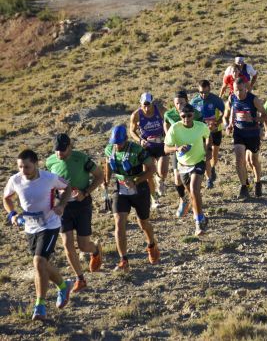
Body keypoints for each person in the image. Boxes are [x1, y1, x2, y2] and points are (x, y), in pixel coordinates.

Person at [3, 149, 73, 320]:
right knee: (40, 266)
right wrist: (13, 215)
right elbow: (7, 198)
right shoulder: (15, 180)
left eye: (26, 167)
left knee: (38, 261)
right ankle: (64, 286)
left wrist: (61, 205)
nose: (23, 171)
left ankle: (39, 305)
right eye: (20, 167)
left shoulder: (49, 178)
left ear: (36, 164)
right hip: (30, 227)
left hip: (50, 224)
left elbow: (67, 187)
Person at [45, 134, 103, 293]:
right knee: (67, 244)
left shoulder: (82, 158)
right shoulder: (50, 162)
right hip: (62, 207)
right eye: (56, 151)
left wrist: (85, 192)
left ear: (70, 146)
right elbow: (49, 184)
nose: (59, 154)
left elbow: (100, 176)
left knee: (83, 246)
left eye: (62, 150)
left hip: (82, 205)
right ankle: (80, 278)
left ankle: (96, 250)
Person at [104, 125, 159, 272]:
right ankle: (123, 259)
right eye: (115, 142)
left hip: (139, 189)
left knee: (143, 224)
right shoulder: (110, 149)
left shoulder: (137, 151)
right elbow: (108, 164)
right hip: (120, 189)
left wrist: (135, 181)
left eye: (120, 142)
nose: (118, 145)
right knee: (119, 222)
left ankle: (151, 245)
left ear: (126, 140)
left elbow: (151, 169)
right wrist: (106, 180)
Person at [164, 104, 210, 236]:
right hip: (183, 165)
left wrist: (209, 149)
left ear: (193, 115)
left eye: (189, 116)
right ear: (180, 116)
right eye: (183, 116)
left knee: (195, 190)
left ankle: (198, 223)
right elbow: (166, 149)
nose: (186, 119)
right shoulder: (175, 128)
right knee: (192, 195)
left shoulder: (200, 126)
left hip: (198, 161)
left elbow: (208, 136)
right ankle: (202, 218)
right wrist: (177, 149)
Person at [223, 78, 267, 199]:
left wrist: (254, 120)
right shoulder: (232, 98)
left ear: (246, 88)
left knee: (253, 161)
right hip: (239, 132)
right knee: (239, 159)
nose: (238, 93)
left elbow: (266, 117)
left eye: (241, 90)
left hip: (252, 134)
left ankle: (258, 182)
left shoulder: (254, 100)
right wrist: (229, 124)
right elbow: (231, 110)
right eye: (236, 90)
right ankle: (244, 186)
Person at [129, 92, 168, 208]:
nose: (146, 108)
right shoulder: (136, 115)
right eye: (144, 105)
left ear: (152, 103)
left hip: (161, 144)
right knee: (148, 174)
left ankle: (160, 179)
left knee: (163, 171)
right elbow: (132, 131)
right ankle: (154, 199)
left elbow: (169, 121)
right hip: (147, 147)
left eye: (148, 105)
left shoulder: (160, 110)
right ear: (140, 104)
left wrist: (168, 135)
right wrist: (140, 140)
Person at [164, 90, 198, 217]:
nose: (179, 106)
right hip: (178, 151)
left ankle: (194, 201)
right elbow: (166, 127)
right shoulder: (169, 114)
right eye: (177, 103)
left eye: (182, 103)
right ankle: (183, 200)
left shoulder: (194, 112)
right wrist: (172, 144)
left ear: (187, 101)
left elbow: (202, 126)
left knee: (191, 180)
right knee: (177, 177)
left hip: (194, 150)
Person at [191, 80, 225, 189]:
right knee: (206, 155)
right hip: (201, 133)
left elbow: (226, 112)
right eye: (201, 92)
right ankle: (208, 179)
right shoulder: (194, 101)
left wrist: (217, 122)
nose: (203, 95)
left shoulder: (215, 99)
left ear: (209, 89)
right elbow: (189, 114)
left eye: (206, 92)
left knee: (214, 156)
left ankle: (213, 167)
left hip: (215, 131)